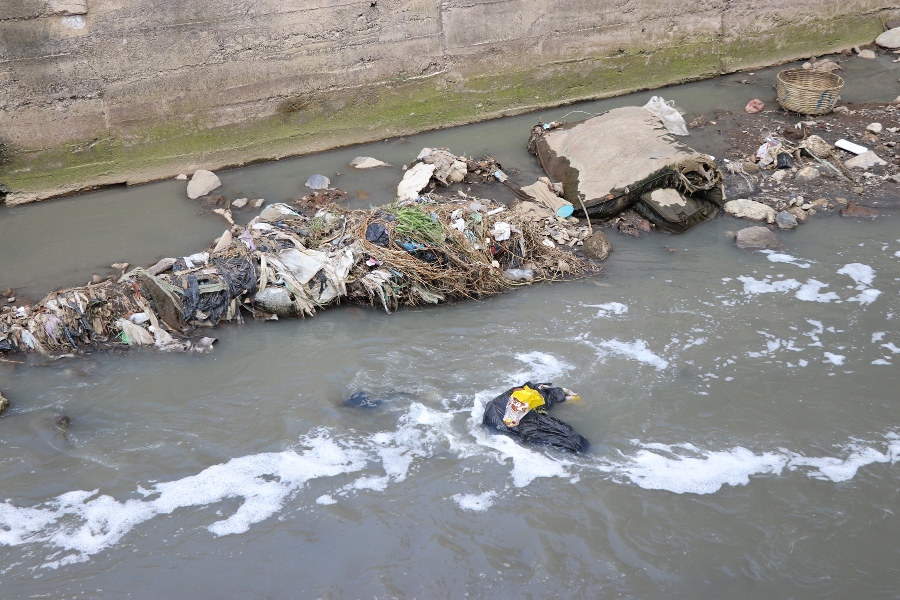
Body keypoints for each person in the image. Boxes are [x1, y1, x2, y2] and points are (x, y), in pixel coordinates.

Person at [482, 381, 589, 452]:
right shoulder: (536, 398)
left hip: (501, 425)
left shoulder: (499, 403)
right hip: (520, 422)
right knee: (575, 442)